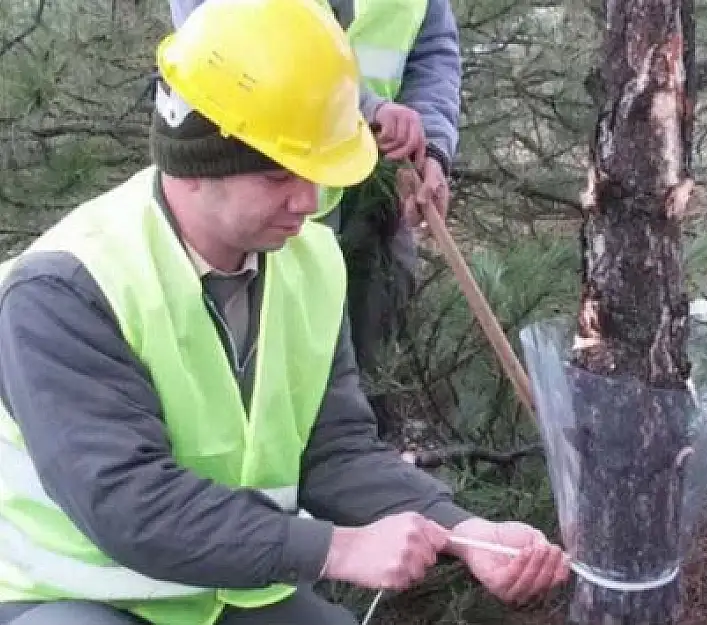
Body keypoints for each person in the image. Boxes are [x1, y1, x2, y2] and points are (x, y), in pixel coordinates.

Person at [0, 1, 567, 624]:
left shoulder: (310, 261)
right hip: (72, 593)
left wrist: (465, 532)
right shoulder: (65, 288)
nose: (310, 200)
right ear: (195, 168)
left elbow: (336, 452)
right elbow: (131, 505)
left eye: (319, 172)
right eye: (279, 177)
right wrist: (337, 549)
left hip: (225, 586)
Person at [167, 0, 460, 377]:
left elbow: (431, 51)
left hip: (374, 196)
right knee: (247, 371)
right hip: (253, 184)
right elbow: (226, 35)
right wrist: (363, 107)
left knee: (365, 382)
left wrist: (430, 146)